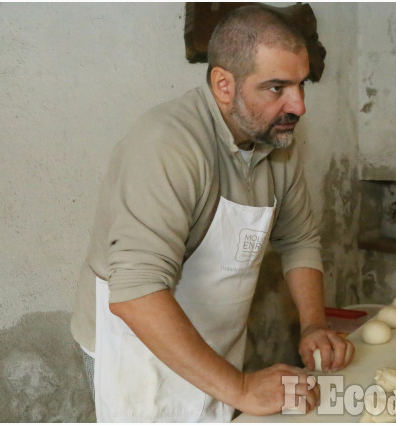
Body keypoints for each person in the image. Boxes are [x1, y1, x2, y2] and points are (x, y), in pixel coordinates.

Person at [70, 5, 354, 422]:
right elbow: (136, 293)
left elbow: (298, 240)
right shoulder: (167, 146)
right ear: (223, 84)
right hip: (136, 349)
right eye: (277, 88)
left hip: (214, 345)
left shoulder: (276, 140)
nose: (298, 106)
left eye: (301, 84)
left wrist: (313, 324)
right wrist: (240, 387)